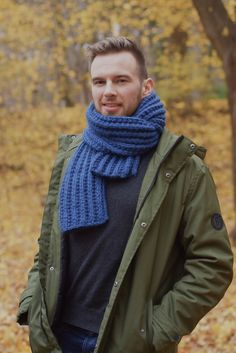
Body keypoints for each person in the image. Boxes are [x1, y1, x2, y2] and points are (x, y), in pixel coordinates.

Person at [17, 36, 233, 353]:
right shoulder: (71, 156)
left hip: (130, 342)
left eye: (121, 80)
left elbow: (212, 265)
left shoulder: (182, 168)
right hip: (57, 337)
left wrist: (156, 330)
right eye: (99, 81)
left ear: (146, 86)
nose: (108, 91)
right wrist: (32, 307)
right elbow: (47, 245)